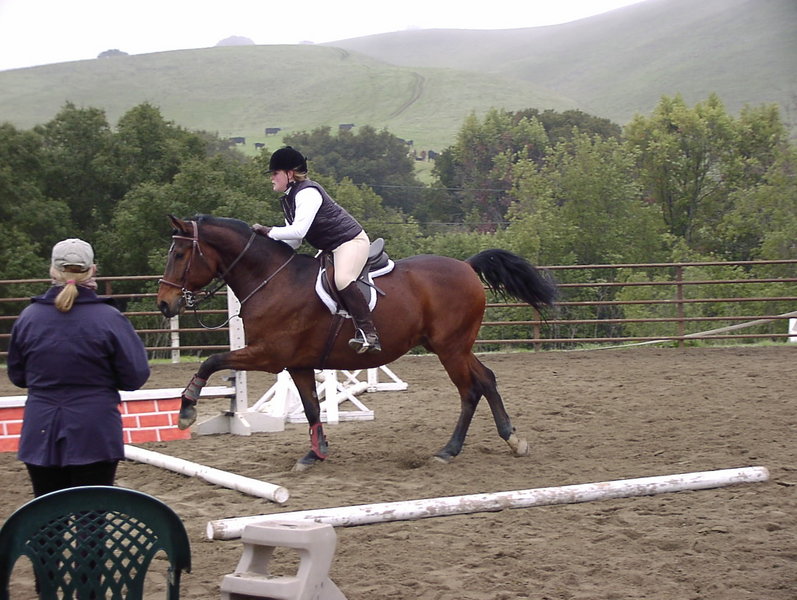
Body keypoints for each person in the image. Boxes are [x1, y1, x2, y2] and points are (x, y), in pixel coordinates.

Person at [6, 238, 150, 497]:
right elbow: (134, 377)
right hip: (95, 428)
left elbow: (18, 376)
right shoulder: (109, 318)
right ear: (92, 270)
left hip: (41, 428)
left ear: (52, 270)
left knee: (47, 514)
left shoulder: (29, 317)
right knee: (93, 513)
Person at [253, 146, 382, 353]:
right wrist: (267, 248)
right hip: (330, 248)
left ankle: (369, 333)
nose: (272, 178)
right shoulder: (289, 199)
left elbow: (299, 231)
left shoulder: (308, 193)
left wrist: (268, 231)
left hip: (350, 242)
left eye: (275, 173)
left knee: (342, 279)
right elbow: (294, 242)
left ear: (289, 173)